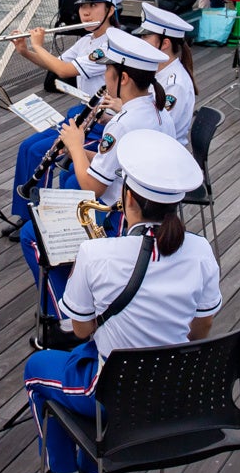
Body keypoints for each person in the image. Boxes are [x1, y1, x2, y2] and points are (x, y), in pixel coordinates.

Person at [22, 131, 221, 473]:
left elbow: (80, 330)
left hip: (114, 399)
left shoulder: (97, 254)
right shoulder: (200, 251)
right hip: (178, 395)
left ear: (128, 198)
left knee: (38, 368)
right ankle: (90, 471)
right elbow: (201, 328)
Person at [19, 28, 170, 320]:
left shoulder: (122, 122)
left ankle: (67, 316)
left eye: (108, 72)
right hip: (152, 211)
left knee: (31, 234)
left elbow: (92, 187)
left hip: (118, 217)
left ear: (122, 78)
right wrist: (82, 153)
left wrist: (75, 146)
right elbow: (118, 161)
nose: (105, 79)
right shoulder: (156, 111)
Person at [6, 0, 119, 220]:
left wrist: (39, 45)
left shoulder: (111, 44)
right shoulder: (86, 41)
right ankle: (26, 215)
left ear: (110, 9)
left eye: (93, 7)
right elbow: (57, 65)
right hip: (80, 114)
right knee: (28, 147)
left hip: (101, 123)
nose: (85, 13)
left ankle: (43, 221)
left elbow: (65, 72)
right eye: (82, 7)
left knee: (40, 152)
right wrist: (26, 50)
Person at [136, 5, 198, 144]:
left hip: (163, 151)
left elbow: (161, 127)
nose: (140, 41)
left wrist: (120, 108)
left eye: (145, 36)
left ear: (164, 44)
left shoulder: (175, 84)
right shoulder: (158, 71)